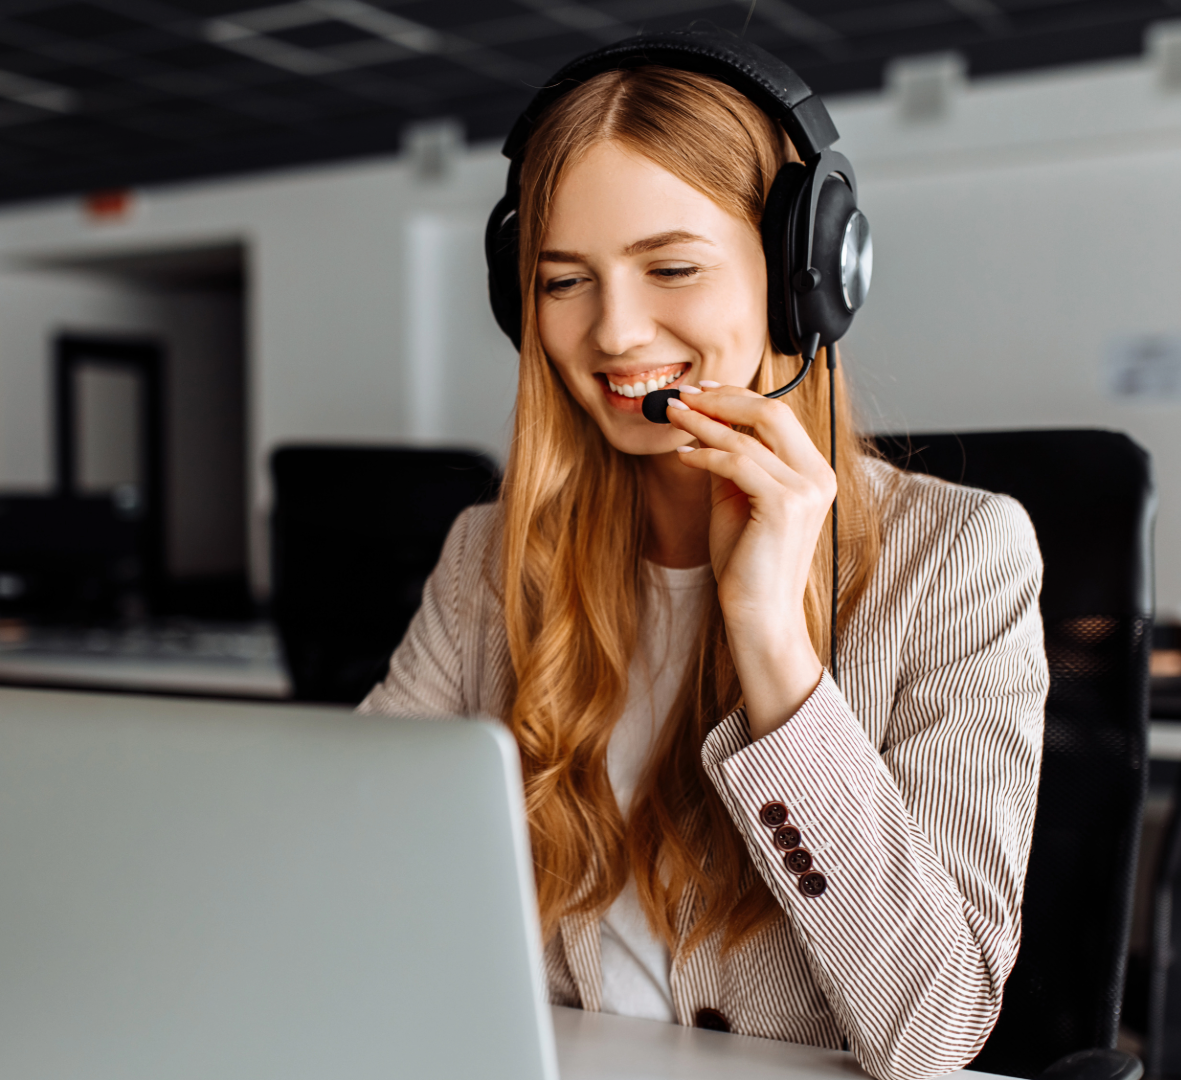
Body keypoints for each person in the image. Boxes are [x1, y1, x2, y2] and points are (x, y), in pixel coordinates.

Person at [360, 34, 1046, 1080]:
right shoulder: (490, 557)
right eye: (563, 281)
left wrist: (772, 642)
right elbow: (348, 863)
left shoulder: (957, 559)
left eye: (671, 267)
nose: (614, 332)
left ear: (801, 278)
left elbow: (935, 1029)